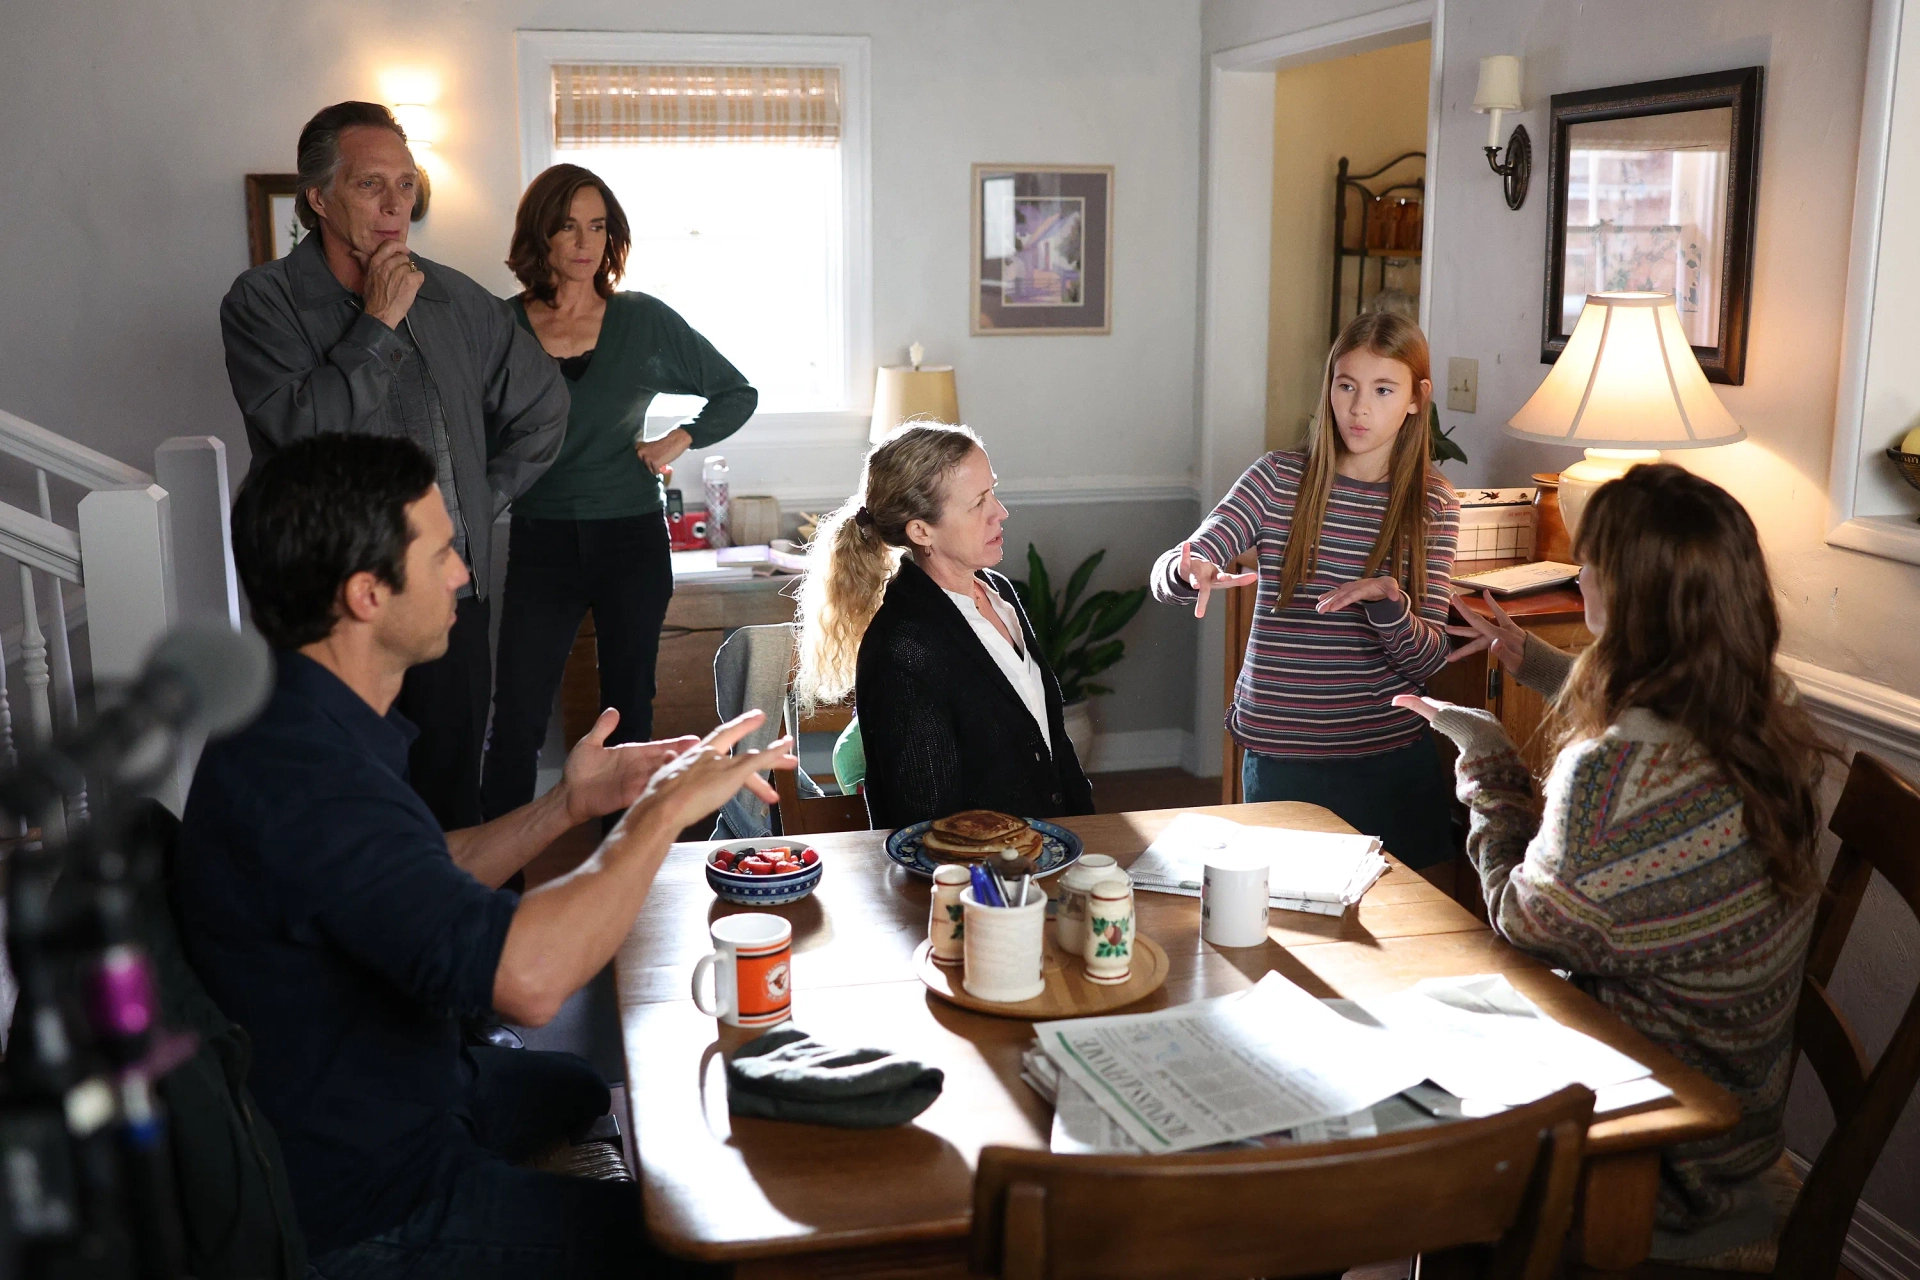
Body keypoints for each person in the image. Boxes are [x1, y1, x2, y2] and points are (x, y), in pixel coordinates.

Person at [173, 433, 794, 1277]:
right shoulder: (310, 780)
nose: (463, 573)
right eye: (441, 555)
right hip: (369, 1202)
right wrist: (660, 812)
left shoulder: (300, 717)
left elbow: (418, 872)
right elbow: (530, 981)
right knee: (708, 1247)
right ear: (366, 594)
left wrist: (567, 805)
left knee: (581, 1086)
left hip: (412, 1089)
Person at [1398, 464, 1828, 1260]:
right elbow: (1666, 723)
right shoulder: (1770, 708)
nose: (1580, 574)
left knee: (1406, 1094)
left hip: (1658, 1155)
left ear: (1626, 599)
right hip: (1743, 1115)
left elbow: (1524, 920)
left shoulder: (1615, 776)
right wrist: (1535, 662)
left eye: (1588, 563)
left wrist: (1487, 761)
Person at [220, 101, 569, 832]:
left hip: (446, 602)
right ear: (319, 199)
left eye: (406, 185)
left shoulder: (457, 298)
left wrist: (477, 506)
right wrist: (376, 323)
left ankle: (460, 909)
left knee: (452, 807)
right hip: (327, 609)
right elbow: (298, 433)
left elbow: (544, 409)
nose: (394, 205)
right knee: (339, 810)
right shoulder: (263, 301)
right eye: (369, 184)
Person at [480, 163, 757, 820]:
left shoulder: (642, 320)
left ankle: (625, 869)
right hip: (541, 540)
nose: (585, 242)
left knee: (629, 717)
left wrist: (679, 438)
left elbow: (736, 392)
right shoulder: (500, 326)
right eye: (568, 226)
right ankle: (495, 872)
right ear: (540, 234)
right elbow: (467, 425)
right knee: (516, 717)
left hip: (630, 537)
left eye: (598, 226)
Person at [1151, 312, 1460, 873]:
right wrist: (1187, 571)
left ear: (1417, 398)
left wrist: (1390, 606)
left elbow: (1429, 659)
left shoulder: (1433, 503)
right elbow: (1185, 558)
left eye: (1383, 390)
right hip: (1282, 760)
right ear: (1329, 388)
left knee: (1402, 923)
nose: (1359, 408)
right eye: (1346, 386)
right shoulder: (1276, 478)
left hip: (1389, 760)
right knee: (1281, 915)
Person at [794, 423, 1094, 829]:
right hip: (985, 868)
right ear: (921, 531)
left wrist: (1088, 838)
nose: (1000, 512)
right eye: (978, 503)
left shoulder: (998, 593)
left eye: (993, 492)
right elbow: (927, 825)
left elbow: (1052, 743)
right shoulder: (902, 648)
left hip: (1051, 850)